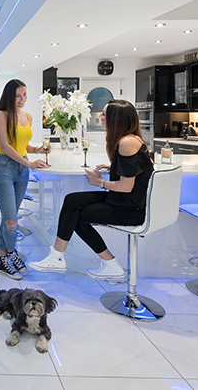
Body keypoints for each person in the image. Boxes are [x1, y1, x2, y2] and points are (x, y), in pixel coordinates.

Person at [28, 99, 154, 279]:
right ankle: (57, 257)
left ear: (115, 119)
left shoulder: (126, 143)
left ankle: (108, 264)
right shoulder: (132, 139)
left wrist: (100, 182)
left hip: (132, 209)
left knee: (76, 215)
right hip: (125, 202)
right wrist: (116, 168)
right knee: (72, 201)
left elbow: (126, 187)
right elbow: (141, 169)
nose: (100, 117)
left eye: (104, 114)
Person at [0, 79, 49, 280]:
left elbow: (22, 145)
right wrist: (30, 164)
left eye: (25, 94)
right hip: (3, 169)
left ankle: (2, 257)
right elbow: (6, 147)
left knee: (11, 216)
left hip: (21, 169)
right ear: (9, 96)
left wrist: (36, 150)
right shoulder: (2, 115)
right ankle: (11, 253)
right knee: (11, 220)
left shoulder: (28, 116)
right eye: (18, 95)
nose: (22, 99)